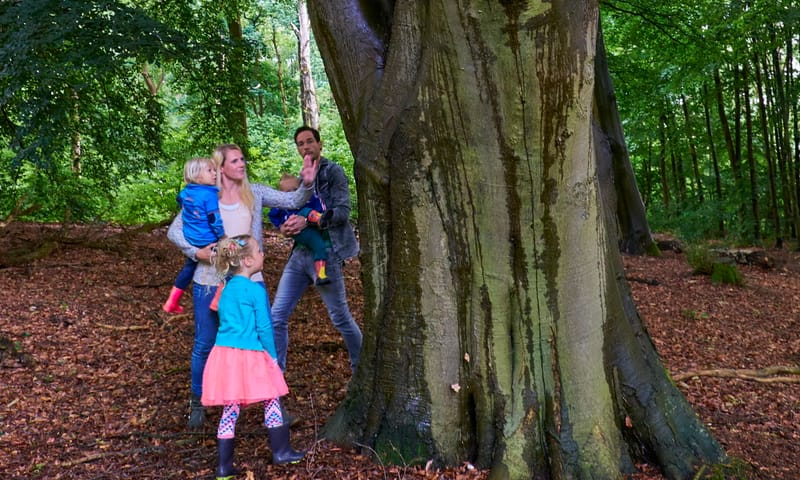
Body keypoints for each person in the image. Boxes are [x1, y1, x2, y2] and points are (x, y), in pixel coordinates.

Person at [167, 143, 318, 429]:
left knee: (261, 340)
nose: (242, 164)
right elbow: (175, 232)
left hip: (250, 282)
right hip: (209, 281)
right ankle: (197, 403)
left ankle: (274, 406)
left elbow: (294, 199)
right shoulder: (203, 196)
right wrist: (196, 252)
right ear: (220, 166)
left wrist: (307, 184)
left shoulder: (255, 193)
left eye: (243, 159)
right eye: (235, 160)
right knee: (205, 343)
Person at [203, 235, 304, 479]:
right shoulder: (255, 290)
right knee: (271, 399)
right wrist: (273, 358)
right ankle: (281, 452)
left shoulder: (224, 289)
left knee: (230, 408)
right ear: (247, 260)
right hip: (251, 355)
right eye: (260, 251)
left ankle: (224, 467)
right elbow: (265, 327)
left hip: (224, 355)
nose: (263, 255)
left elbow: (220, 316)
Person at [270, 126, 362, 376]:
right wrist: (285, 228)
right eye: (300, 144)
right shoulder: (299, 179)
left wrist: (310, 219)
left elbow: (342, 212)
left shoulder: (333, 172)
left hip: (327, 253)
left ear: (320, 144)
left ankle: (361, 372)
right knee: (276, 317)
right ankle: (275, 383)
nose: (305, 147)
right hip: (299, 254)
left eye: (310, 141)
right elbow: (285, 210)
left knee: (340, 317)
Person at [162, 158, 225, 314]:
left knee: (188, 269)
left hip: (192, 238)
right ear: (197, 176)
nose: (214, 173)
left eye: (214, 170)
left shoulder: (186, 192)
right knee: (230, 265)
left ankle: (172, 301)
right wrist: (222, 235)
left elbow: (180, 200)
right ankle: (217, 300)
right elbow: (213, 218)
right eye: (210, 171)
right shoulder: (209, 195)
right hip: (207, 239)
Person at [268, 173, 332, 285]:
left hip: (311, 230)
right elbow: (273, 215)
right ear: (281, 194)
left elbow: (318, 202)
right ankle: (319, 219)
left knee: (319, 246)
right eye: (287, 192)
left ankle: (321, 274)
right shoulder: (280, 204)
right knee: (305, 212)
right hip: (295, 230)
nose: (292, 194)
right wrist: (281, 226)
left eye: (295, 190)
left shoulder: (307, 198)